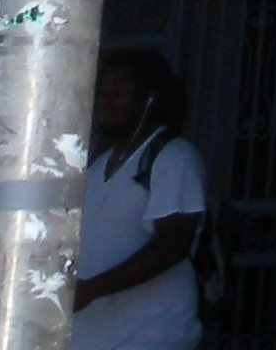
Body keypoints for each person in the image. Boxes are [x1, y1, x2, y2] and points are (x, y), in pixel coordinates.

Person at [73, 48, 208, 350]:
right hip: (91, 339)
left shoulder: (173, 157)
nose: (107, 101)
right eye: (104, 91)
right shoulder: (97, 164)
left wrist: (93, 289)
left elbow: (172, 245)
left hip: (152, 335)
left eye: (120, 90)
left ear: (150, 98)